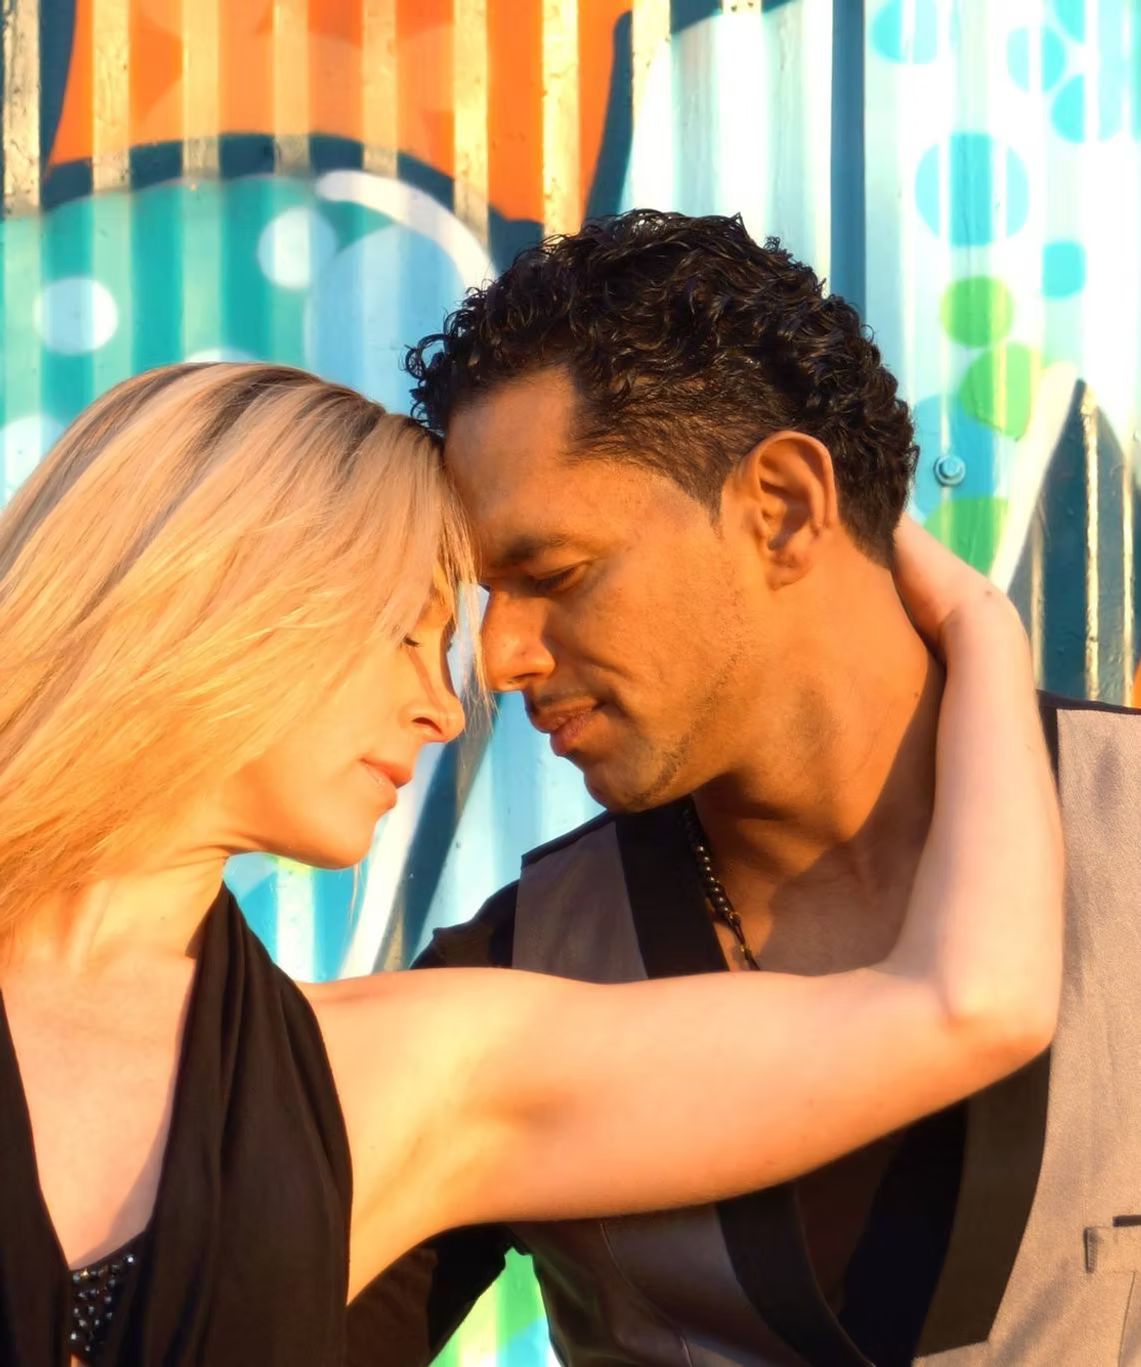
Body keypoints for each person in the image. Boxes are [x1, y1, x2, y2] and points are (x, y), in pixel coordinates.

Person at [0, 362, 1057, 1367]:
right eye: (407, 634)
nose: (449, 702)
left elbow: (972, 1005)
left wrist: (984, 634)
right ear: (217, 604)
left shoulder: (399, 1073)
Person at [348, 212, 1141, 1367]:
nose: (499, 657)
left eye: (551, 573)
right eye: (484, 596)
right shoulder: (519, 972)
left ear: (778, 505)